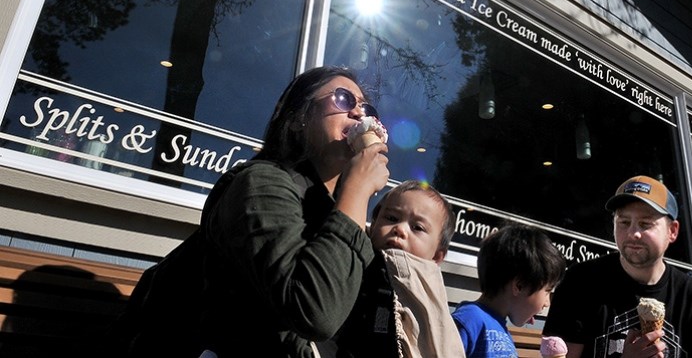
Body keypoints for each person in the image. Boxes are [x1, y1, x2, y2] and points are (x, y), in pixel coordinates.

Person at [119, 65, 390, 357]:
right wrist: (357, 191)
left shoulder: (331, 208)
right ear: (298, 118)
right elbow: (316, 311)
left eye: (365, 106)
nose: (359, 113)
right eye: (343, 99)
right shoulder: (260, 182)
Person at [542, 175, 692, 358]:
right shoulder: (581, 282)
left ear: (672, 231)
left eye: (645, 224)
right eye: (624, 222)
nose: (633, 233)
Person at [336, 179, 465, 358]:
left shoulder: (429, 296)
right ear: (372, 226)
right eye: (391, 218)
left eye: (417, 227)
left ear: (436, 256)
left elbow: (443, 345)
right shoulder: (357, 264)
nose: (400, 229)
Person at [451, 223, 566, 358]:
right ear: (519, 286)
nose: (547, 303)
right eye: (547, 291)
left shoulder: (500, 328)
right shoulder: (470, 319)